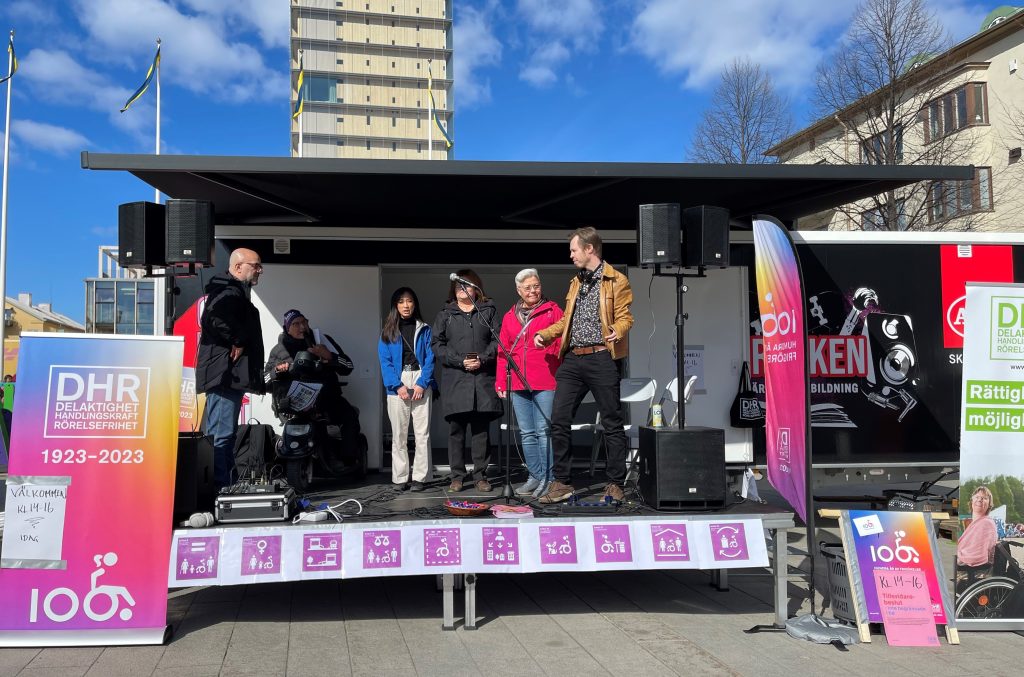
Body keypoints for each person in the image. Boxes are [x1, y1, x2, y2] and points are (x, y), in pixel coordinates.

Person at [535, 227, 634, 504]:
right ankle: (563, 482)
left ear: (589, 249)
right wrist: (546, 334)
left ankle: (615, 482)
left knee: (612, 422)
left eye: (574, 250)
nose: (571, 255)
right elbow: (567, 321)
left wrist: (618, 328)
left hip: (601, 357)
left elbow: (627, 317)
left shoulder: (617, 280)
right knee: (559, 418)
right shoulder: (576, 282)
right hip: (573, 358)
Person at [197, 248, 267, 490]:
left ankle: (228, 486)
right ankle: (219, 490)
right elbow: (214, 318)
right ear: (238, 267)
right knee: (221, 435)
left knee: (224, 434)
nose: (260, 270)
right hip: (225, 376)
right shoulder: (228, 292)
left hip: (229, 376)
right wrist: (237, 340)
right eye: (255, 265)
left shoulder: (234, 292)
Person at [265, 309, 361, 473]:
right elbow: (264, 381)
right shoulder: (279, 350)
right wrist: (276, 371)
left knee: (350, 417)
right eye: (296, 324)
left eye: (305, 322)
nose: (302, 327)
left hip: (327, 399)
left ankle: (348, 461)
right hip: (293, 404)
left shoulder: (322, 341)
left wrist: (329, 356)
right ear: (287, 328)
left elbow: (349, 366)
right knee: (316, 420)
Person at [432, 269, 501, 492]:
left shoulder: (487, 311)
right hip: (456, 379)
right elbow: (437, 345)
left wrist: (482, 359)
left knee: (481, 431)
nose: (463, 289)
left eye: (467, 285)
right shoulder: (446, 313)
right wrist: (460, 361)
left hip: (482, 379)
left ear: (476, 288)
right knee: (457, 431)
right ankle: (457, 476)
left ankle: (481, 475)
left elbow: (498, 341)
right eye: (459, 285)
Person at [495, 269, 563, 498]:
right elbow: (502, 352)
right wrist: (500, 382)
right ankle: (534, 475)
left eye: (536, 286)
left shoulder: (553, 311)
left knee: (544, 431)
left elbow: (563, 341)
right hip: (517, 381)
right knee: (527, 433)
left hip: (545, 378)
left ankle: (549, 478)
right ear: (519, 290)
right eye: (528, 287)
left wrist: (549, 347)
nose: (533, 290)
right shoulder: (508, 316)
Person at [378, 287, 435, 492]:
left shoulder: (425, 329)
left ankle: (420, 477)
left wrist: (422, 382)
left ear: (415, 304)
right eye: (401, 301)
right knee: (399, 435)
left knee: (422, 433)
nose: (406, 305)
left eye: (409, 301)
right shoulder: (387, 331)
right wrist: (397, 386)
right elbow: (385, 363)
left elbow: (430, 358)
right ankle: (400, 478)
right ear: (395, 305)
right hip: (398, 381)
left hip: (420, 377)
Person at [957, 485, 999, 568]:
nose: (979, 499)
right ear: (972, 501)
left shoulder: (986, 524)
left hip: (972, 571)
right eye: (977, 497)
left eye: (984, 498)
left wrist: (957, 557)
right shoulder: (974, 523)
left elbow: (978, 555)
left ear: (989, 505)